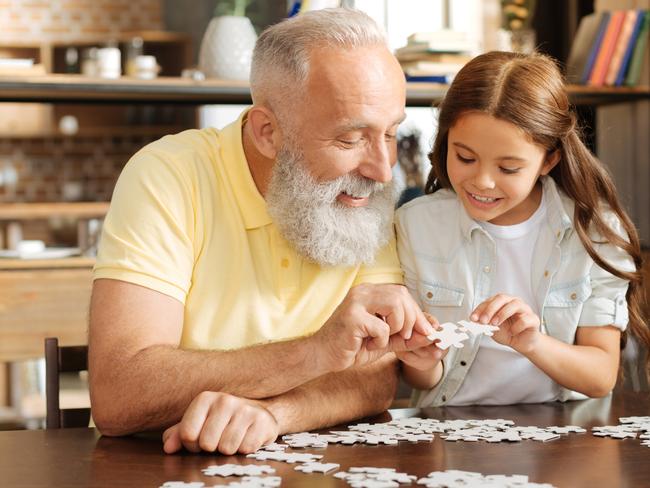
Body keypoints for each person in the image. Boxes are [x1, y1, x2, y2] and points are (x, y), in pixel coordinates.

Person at [88, 8, 435, 455]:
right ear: (268, 132)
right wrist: (313, 354)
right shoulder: (169, 175)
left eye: (390, 133)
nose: (383, 170)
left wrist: (274, 416)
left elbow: (377, 374)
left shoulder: (361, 195)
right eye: (351, 140)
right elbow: (119, 394)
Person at [396, 51, 649, 407]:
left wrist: (532, 342)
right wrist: (422, 360)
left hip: (561, 437)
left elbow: (600, 377)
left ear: (549, 159)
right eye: (465, 157)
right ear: (445, 139)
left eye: (509, 168)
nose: (482, 182)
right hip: (448, 433)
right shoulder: (415, 224)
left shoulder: (595, 230)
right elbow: (420, 378)